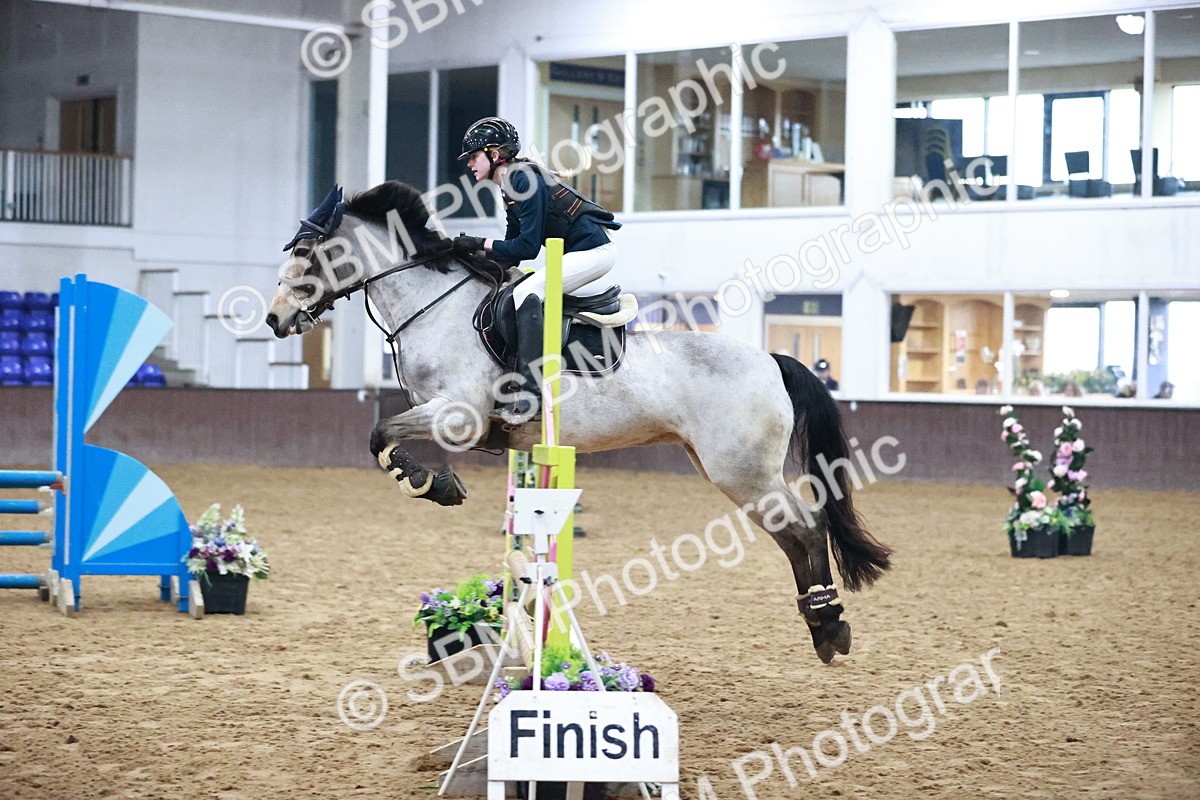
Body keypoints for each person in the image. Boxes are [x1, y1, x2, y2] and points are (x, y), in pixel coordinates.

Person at [452, 117, 621, 424]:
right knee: (514, 289)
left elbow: (527, 248)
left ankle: (531, 393)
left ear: (494, 155)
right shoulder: (509, 186)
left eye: (474, 157)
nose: (469, 165)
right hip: (578, 252)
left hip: (594, 252)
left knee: (528, 290)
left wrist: (481, 242)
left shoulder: (522, 178)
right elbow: (510, 252)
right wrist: (470, 257)